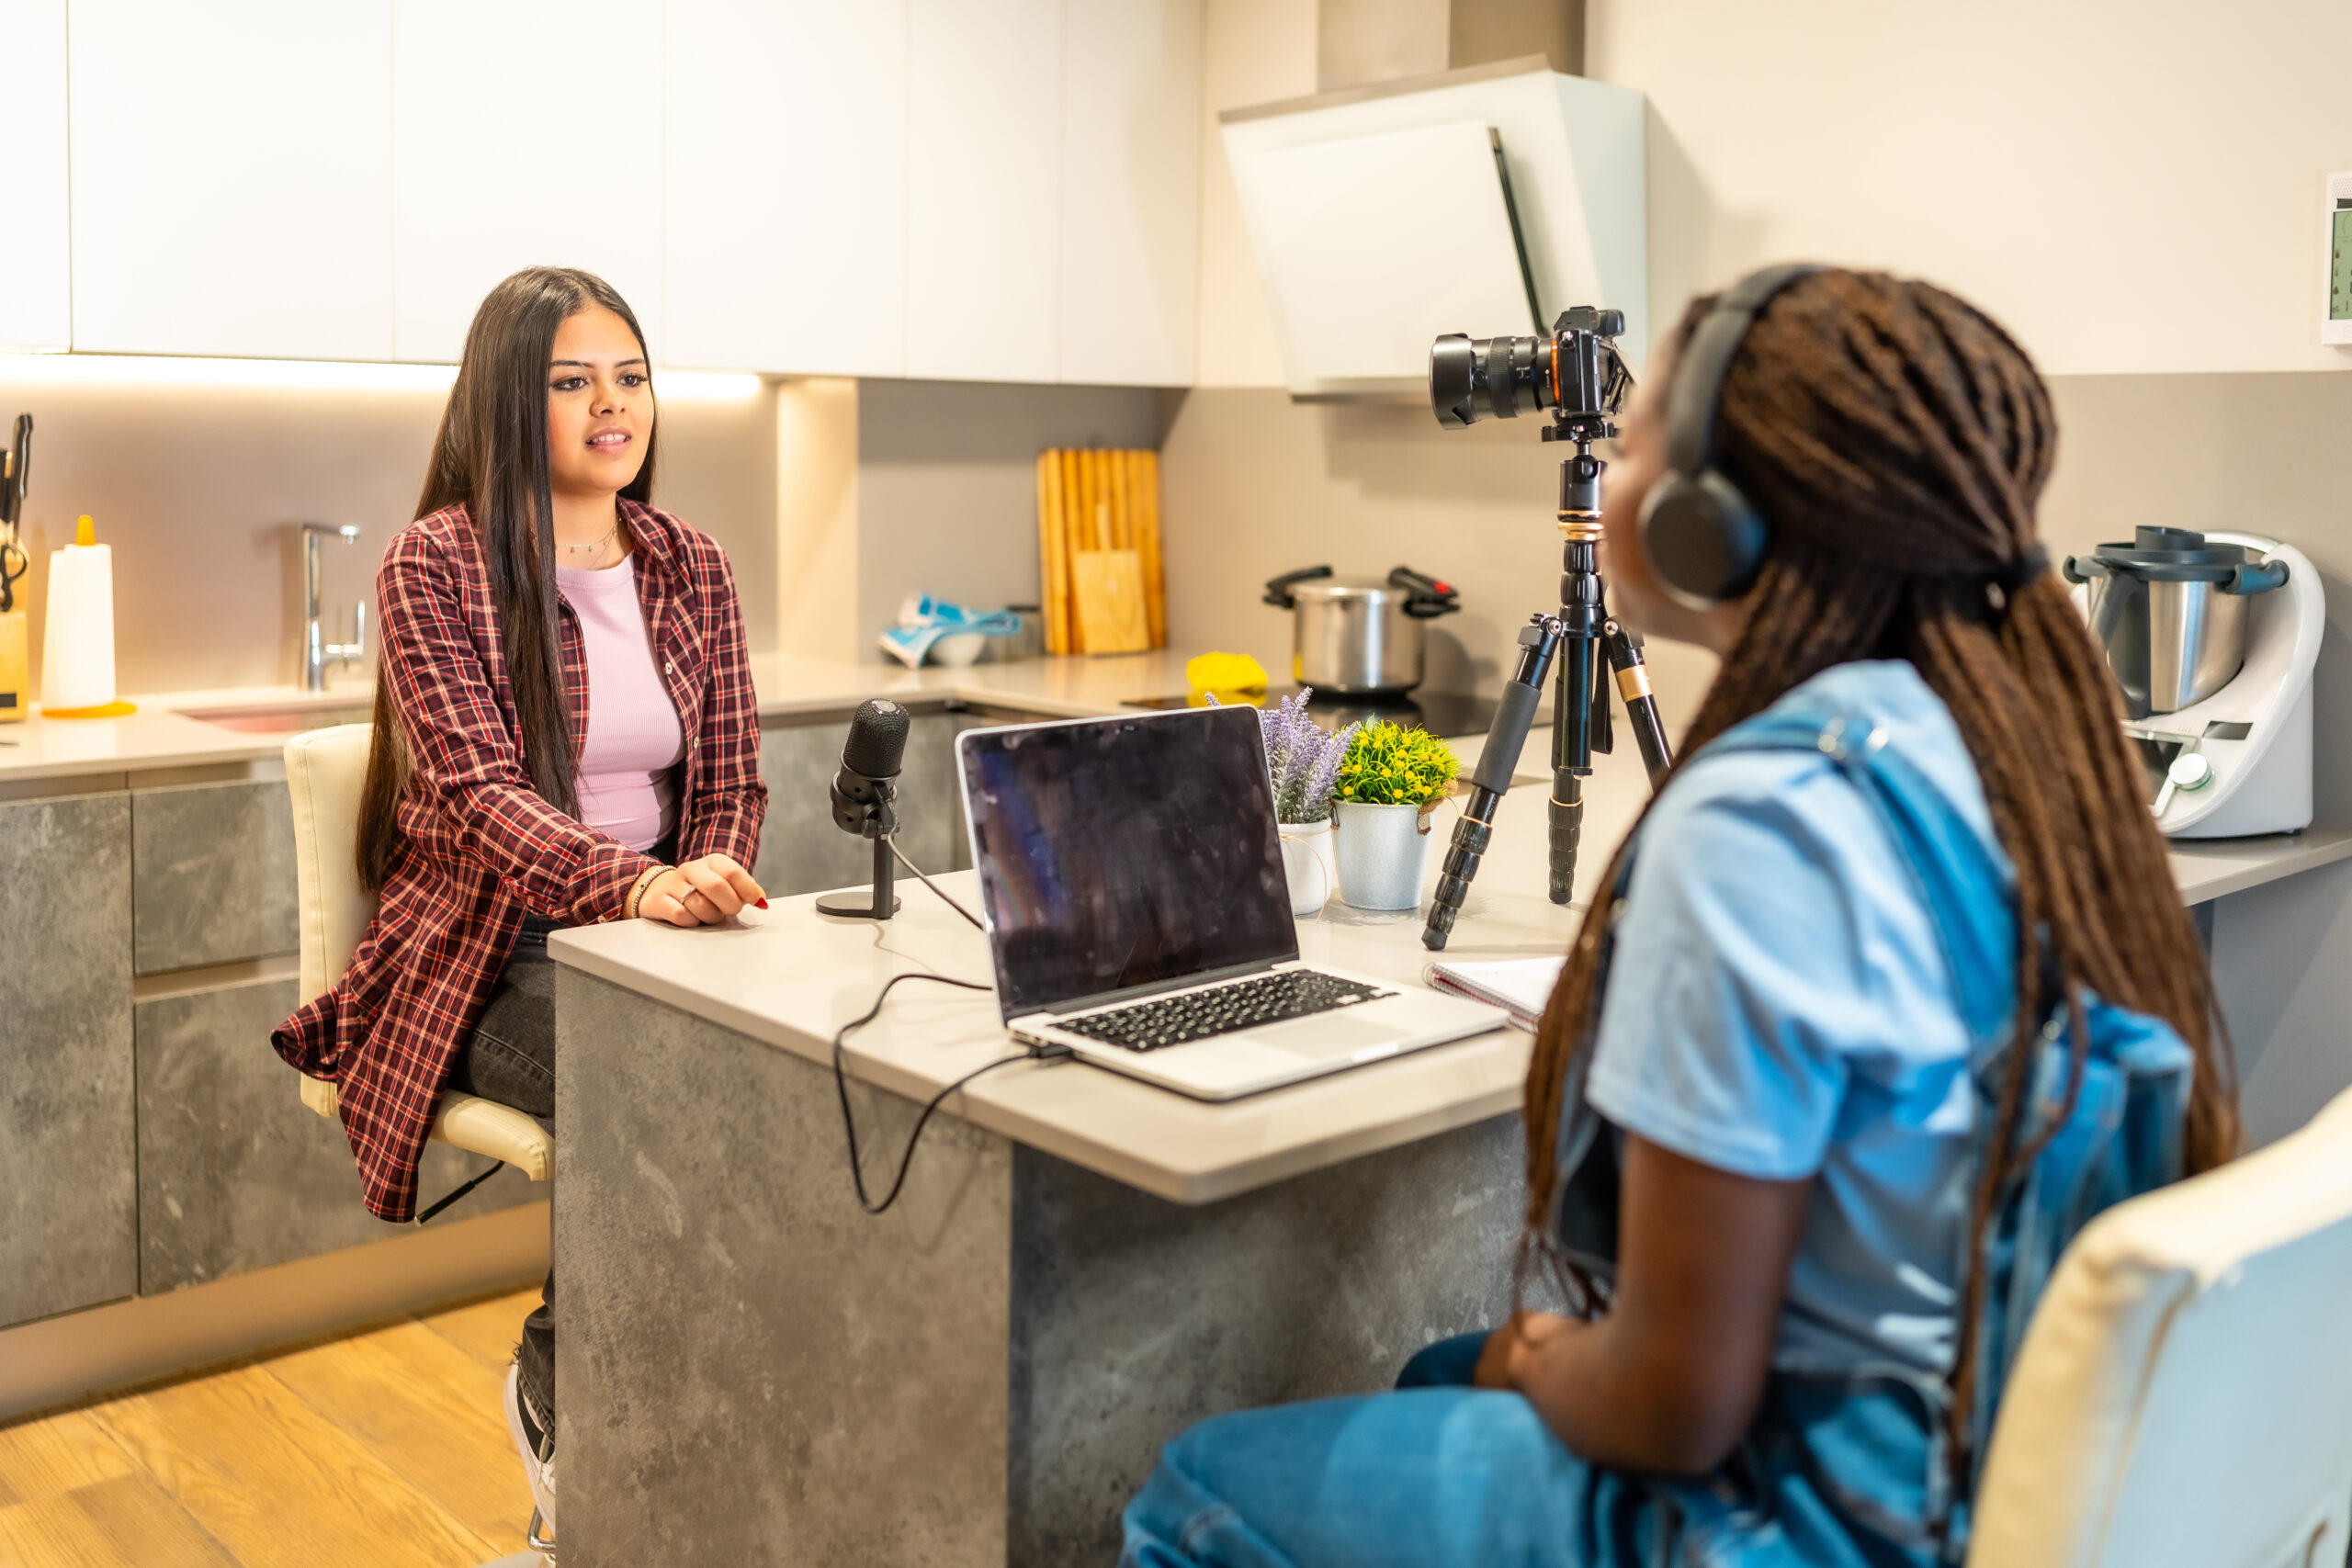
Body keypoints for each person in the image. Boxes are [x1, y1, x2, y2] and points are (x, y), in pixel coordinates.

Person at [1116, 267, 2236, 1567]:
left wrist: (1537, 1346)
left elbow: (1677, 1406)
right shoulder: (2013, 750)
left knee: (1200, 1491)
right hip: (2007, 1463)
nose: (1610, 473)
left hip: (1821, 1519)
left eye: (1637, 441)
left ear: (1718, 520)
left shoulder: (1767, 819)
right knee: (1440, 1371)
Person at [271, 265, 768, 1539]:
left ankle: (698, 1440)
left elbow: (731, 775)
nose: (614, 405)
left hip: (657, 928)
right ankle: (567, 1405)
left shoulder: (690, 563)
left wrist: (700, 882)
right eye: (570, 381)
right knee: (667, 1087)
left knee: (799, 1083)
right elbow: (485, 799)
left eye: (630, 376)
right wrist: (642, 887)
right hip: (490, 952)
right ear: (506, 400)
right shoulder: (432, 564)